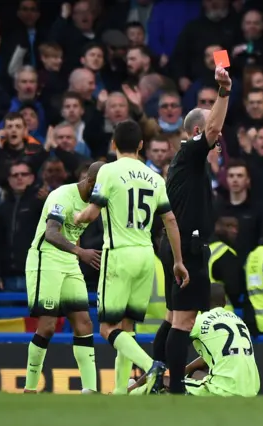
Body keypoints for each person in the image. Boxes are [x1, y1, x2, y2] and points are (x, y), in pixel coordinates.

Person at [73, 120, 189, 396]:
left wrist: (74, 218)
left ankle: (152, 366)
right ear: (141, 145)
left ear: (113, 144)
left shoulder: (109, 172)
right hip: (146, 256)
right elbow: (170, 220)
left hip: (119, 255)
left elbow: (90, 213)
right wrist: (178, 260)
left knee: (107, 328)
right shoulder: (155, 178)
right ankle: (120, 390)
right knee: (127, 326)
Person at [154, 66, 233, 394]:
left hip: (177, 242)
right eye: (213, 133)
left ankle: (157, 380)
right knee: (184, 322)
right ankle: (176, 391)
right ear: (199, 130)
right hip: (186, 245)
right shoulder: (189, 152)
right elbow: (214, 126)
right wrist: (224, 91)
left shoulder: (187, 162)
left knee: (173, 318)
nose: (219, 138)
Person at [24, 162, 105, 394]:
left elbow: (73, 232)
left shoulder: (94, 200)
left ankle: (90, 390)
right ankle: (29, 389)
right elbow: (51, 233)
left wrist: (76, 256)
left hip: (69, 261)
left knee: (84, 322)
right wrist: (81, 253)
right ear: (90, 182)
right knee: (48, 327)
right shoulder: (61, 196)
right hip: (45, 260)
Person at [128, 284, 260, 397]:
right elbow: (207, 360)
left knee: (162, 381)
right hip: (251, 389)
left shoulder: (198, 322)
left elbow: (164, 360)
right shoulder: (237, 320)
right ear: (224, 302)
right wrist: (185, 370)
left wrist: (137, 385)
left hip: (224, 390)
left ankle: (130, 394)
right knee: (196, 373)